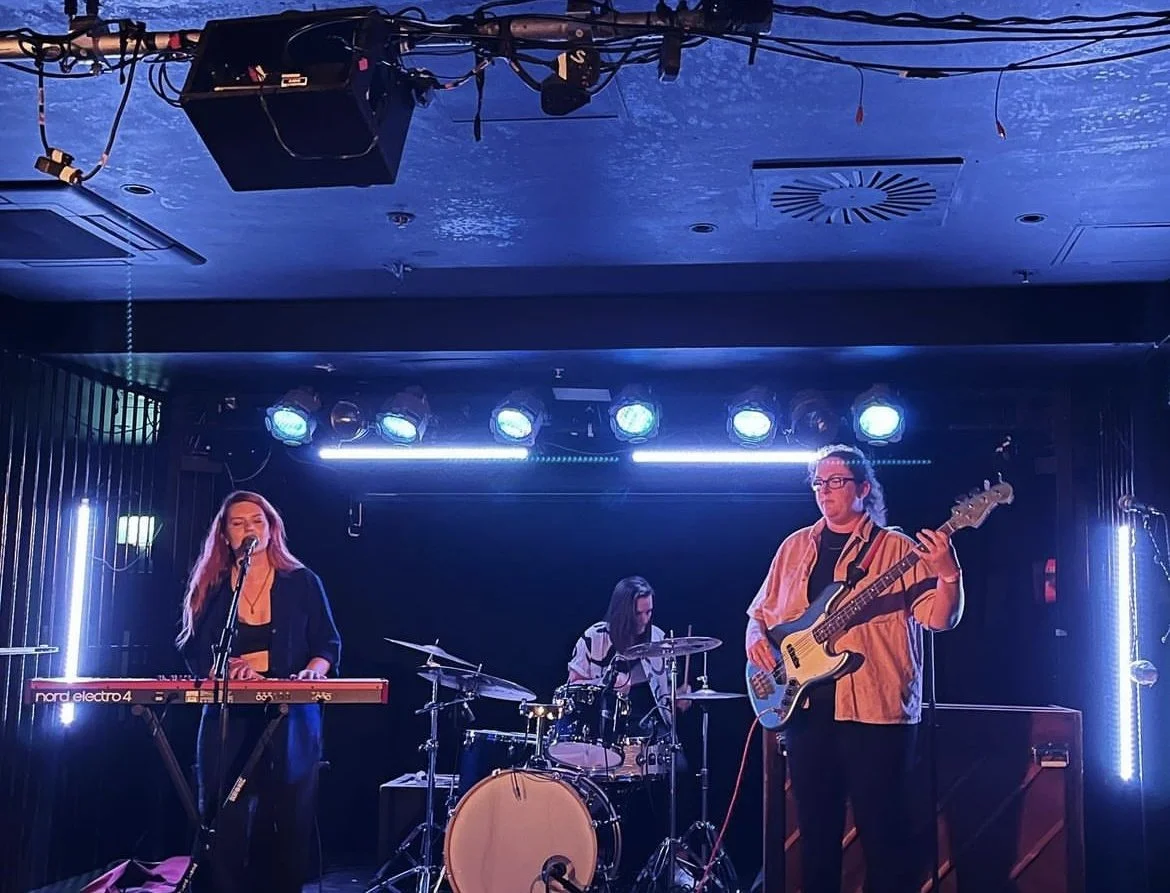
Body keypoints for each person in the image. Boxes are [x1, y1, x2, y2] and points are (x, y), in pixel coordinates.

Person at [745, 445, 964, 893]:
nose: (824, 491)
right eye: (818, 483)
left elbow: (940, 619)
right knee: (816, 840)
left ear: (864, 488)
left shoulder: (897, 549)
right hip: (804, 712)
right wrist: (755, 642)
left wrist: (949, 575)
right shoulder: (794, 547)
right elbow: (759, 614)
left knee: (885, 840)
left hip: (876, 714)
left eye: (836, 481)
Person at [177, 490, 341, 893]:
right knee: (222, 812)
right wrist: (223, 668)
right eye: (238, 523)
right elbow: (192, 647)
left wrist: (313, 672)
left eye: (257, 521)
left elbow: (328, 644)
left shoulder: (302, 581)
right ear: (225, 534)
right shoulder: (214, 584)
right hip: (229, 712)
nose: (249, 529)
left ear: (271, 529)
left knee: (288, 813)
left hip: (290, 712)